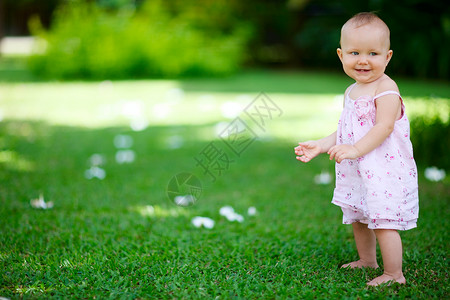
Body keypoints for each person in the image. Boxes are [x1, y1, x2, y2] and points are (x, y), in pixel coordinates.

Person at [294, 12, 419, 286]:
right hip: (360, 168)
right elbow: (346, 128)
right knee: (360, 216)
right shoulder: (351, 91)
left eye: (373, 53)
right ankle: (367, 260)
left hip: (385, 168)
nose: (363, 60)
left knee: (383, 221)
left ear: (387, 57)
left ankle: (394, 273)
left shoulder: (387, 88)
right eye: (354, 52)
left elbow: (383, 127)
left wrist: (354, 149)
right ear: (341, 56)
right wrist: (322, 144)